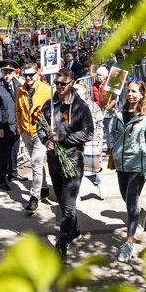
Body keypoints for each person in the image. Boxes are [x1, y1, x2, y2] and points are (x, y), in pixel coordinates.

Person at [38, 68, 93, 261]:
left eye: (63, 84)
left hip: (73, 161)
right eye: (57, 84)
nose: (59, 87)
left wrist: (62, 137)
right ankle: (75, 230)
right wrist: (46, 140)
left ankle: (61, 245)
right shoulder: (49, 104)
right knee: (62, 203)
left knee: (68, 207)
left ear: (71, 83)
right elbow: (40, 127)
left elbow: (88, 133)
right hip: (54, 162)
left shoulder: (80, 107)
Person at [111, 78, 146, 262]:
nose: (130, 94)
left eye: (134, 92)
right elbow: (111, 134)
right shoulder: (119, 113)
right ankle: (141, 214)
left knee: (130, 202)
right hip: (121, 164)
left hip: (139, 166)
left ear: (142, 94)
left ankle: (128, 243)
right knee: (126, 198)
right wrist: (112, 149)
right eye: (128, 91)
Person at [15, 61, 52, 212]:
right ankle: (44, 188)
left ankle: (34, 197)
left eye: (31, 75)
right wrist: (20, 129)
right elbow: (18, 110)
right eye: (26, 75)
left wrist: (49, 131)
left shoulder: (47, 90)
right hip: (25, 132)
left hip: (40, 134)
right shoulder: (20, 90)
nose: (28, 78)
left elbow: (53, 110)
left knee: (36, 164)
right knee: (36, 164)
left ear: (38, 74)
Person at [0, 59, 22, 191]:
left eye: (10, 72)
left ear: (14, 73)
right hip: (4, 125)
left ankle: (13, 173)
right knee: (2, 154)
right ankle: (1, 178)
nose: (7, 74)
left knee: (14, 150)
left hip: (16, 124)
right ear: (1, 72)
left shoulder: (18, 85)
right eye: (5, 72)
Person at [75, 81, 105, 201]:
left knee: (89, 171)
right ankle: (75, 196)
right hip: (75, 143)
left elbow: (99, 126)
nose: (75, 91)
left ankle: (99, 183)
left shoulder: (93, 106)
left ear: (84, 91)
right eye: (74, 89)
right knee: (75, 172)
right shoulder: (71, 105)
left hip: (89, 143)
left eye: (77, 89)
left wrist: (98, 142)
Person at [93, 66, 117, 149]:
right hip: (98, 111)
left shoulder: (110, 85)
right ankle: (98, 148)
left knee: (109, 130)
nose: (98, 77)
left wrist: (110, 105)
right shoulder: (94, 85)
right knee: (98, 131)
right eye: (97, 75)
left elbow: (115, 98)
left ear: (105, 76)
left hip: (108, 111)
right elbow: (93, 97)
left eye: (100, 75)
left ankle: (110, 147)